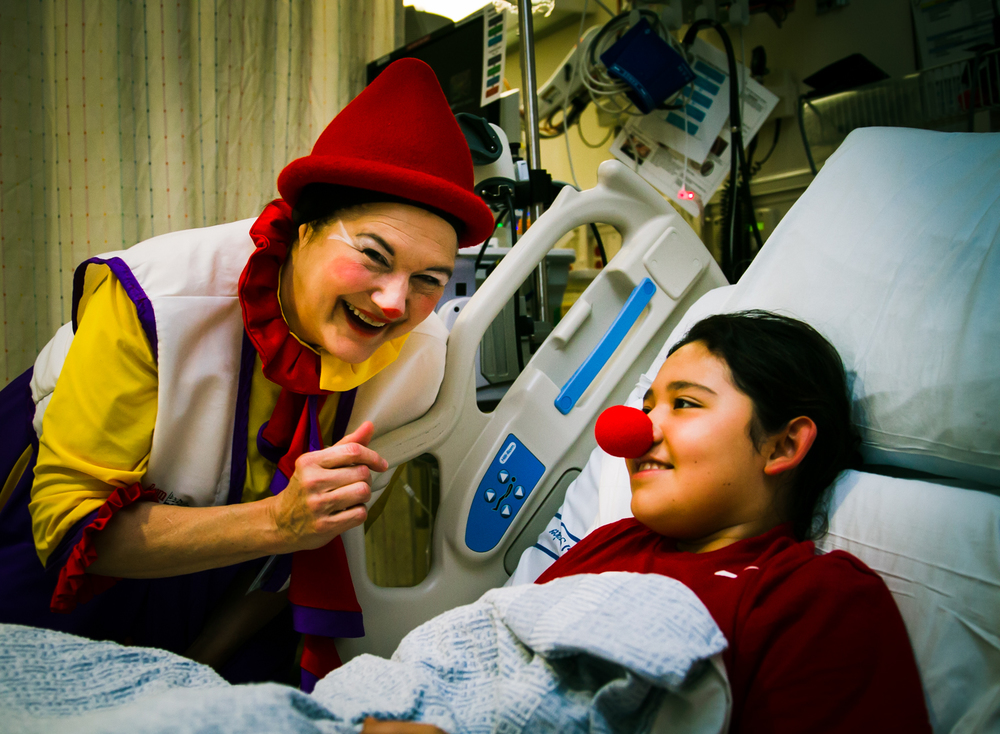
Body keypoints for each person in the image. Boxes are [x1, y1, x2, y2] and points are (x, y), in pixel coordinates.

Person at [0, 58, 494, 690]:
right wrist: (277, 520)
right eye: (374, 255)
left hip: (239, 582)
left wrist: (198, 670)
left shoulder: (419, 361)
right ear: (302, 230)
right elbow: (67, 526)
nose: (396, 303)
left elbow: (303, 548)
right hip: (72, 566)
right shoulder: (157, 300)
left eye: (428, 280)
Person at [534, 311, 932, 733]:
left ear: (783, 445)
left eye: (685, 403)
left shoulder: (813, 599)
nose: (640, 429)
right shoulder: (609, 542)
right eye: (647, 406)